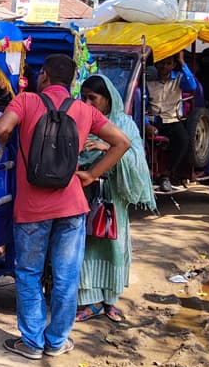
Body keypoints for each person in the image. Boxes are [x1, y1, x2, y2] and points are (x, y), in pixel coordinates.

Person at [0, 54, 130, 360]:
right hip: (71, 206)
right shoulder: (84, 110)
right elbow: (121, 142)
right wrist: (92, 175)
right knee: (66, 277)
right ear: (71, 81)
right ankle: (56, 342)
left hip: (31, 209)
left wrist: (6, 138)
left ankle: (31, 343)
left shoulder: (26, 101)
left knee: (29, 274)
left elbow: (1, 128)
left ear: (44, 76)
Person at [75, 74, 156, 323]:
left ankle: (110, 301)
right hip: (87, 192)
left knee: (113, 244)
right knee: (87, 244)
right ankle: (90, 303)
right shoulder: (81, 122)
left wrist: (107, 149)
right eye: (84, 97)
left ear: (108, 99)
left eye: (93, 98)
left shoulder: (124, 124)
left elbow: (137, 162)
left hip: (114, 194)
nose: (88, 104)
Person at [144, 51, 196, 192]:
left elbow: (192, 86)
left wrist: (182, 62)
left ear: (173, 65)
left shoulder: (179, 79)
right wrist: (147, 125)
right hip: (153, 120)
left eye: (168, 63)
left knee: (184, 140)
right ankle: (145, 172)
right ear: (156, 64)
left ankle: (166, 175)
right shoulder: (149, 82)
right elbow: (142, 105)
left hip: (172, 120)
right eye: (162, 63)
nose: (164, 67)